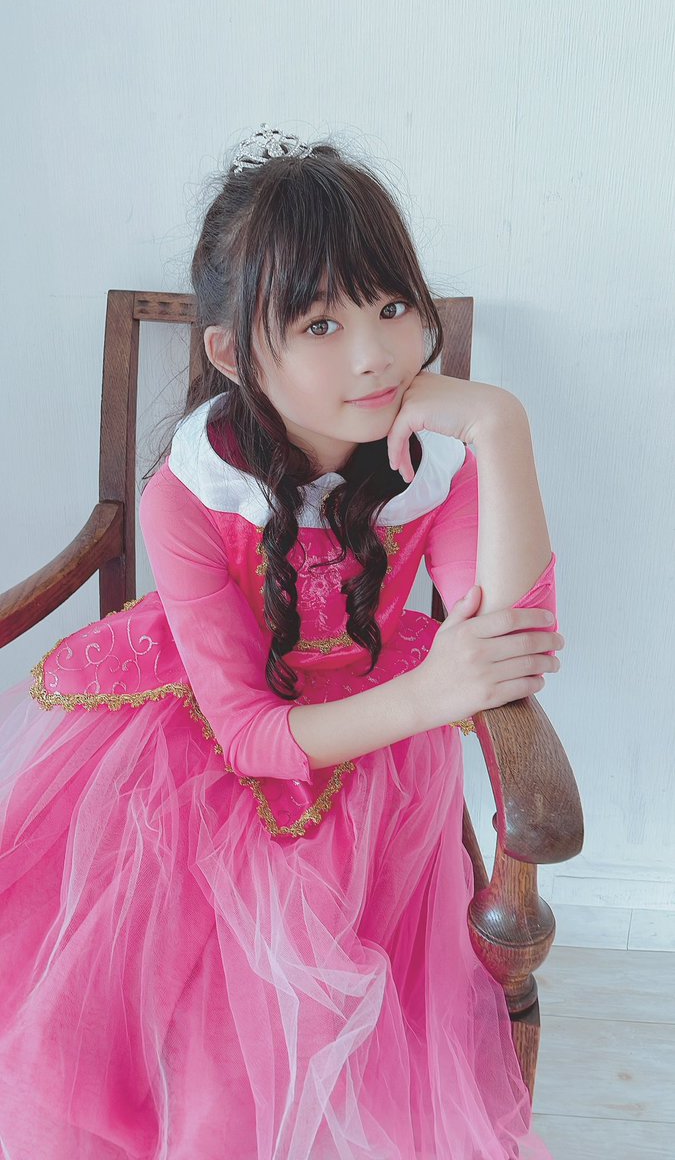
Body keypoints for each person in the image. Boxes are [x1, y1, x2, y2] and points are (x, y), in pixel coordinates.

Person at [0, 124, 564, 1159]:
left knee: (340, 1038)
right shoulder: (191, 495)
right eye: (319, 323)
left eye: (392, 307)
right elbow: (251, 739)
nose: (375, 354)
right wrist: (431, 694)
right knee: (186, 1045)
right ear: (232, 352)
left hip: (374, 772)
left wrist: (499, 424)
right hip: (198, 759)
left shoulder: (432, 466)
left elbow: (517, 633)